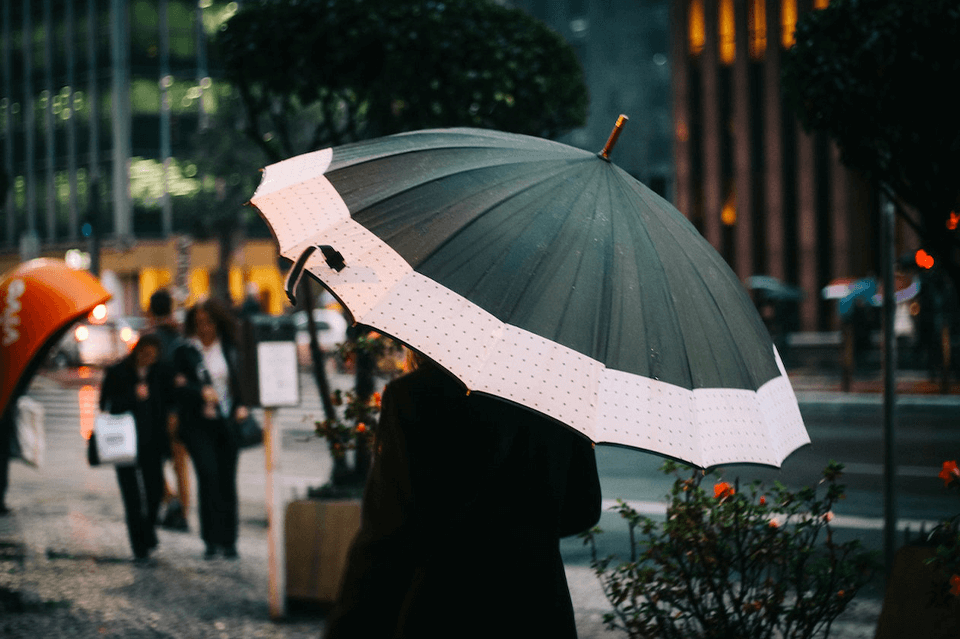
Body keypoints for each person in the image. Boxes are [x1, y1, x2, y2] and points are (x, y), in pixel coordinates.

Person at [323, 355, 602, 639]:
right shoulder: (560, 398)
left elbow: (389, 532)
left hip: (445, 605)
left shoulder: (414, 394)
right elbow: (583, 508)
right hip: (536, 607)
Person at [173, 298, 249, 560]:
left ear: (218, 322)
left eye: (208, 322)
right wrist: (198, 392)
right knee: (208, 477)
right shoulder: (187, 350)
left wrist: (243, 405)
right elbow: (178, 386)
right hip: (198, 426)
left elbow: (242, 381)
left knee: (227, 480)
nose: (204, 327)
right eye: (199, 323)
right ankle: (210, 540)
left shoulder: (229, 347)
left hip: (227, 423)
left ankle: (229, 541)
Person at [98, 334, 168, 562]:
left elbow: (166, 402)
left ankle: (148, 532)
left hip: (152, 442)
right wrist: (132, 397)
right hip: (124, 442)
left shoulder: (159, 372)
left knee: (155, 491)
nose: (149, 359)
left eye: (153, 356)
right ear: (138, 350)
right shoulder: (118, 371)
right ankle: (139, 546)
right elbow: (105, 403)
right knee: (132, 497)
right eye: (146, 354)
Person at [146, 289, 190, 532]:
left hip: (158, 411)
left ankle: (171, 501)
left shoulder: (150, 340)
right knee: (180, 464)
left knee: (151, 461)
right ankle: (182, 513)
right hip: (180, 409)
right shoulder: (180, 335)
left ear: (151, 311)